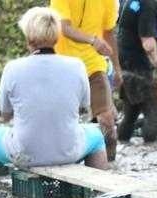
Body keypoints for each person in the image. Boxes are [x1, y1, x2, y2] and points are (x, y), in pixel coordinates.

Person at [0, 7, 107, 196]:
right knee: (97, 135)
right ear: (57, 37)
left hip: (25, 154)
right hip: (68, 151)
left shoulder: (13, 68)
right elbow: (83, 106)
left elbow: (5, 116)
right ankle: (99, 195)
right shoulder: (77, 66)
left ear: (28, 38)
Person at [49, 0, 119, 162]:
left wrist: (117, 67)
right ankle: (60, 163)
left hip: (94, 65)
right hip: (63, 65)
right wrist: (93, 40)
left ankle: (109, 170)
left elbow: (108, 33)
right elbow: (64, 28)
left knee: (108, 121)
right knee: (60, 122)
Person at [114, 0, 157, 143]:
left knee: (131, 111)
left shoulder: (127, 1)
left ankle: (121, 141)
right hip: (139, 65)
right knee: (152, 109)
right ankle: (151, 148)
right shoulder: (148, 3)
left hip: (124, 60)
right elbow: (147, 42)